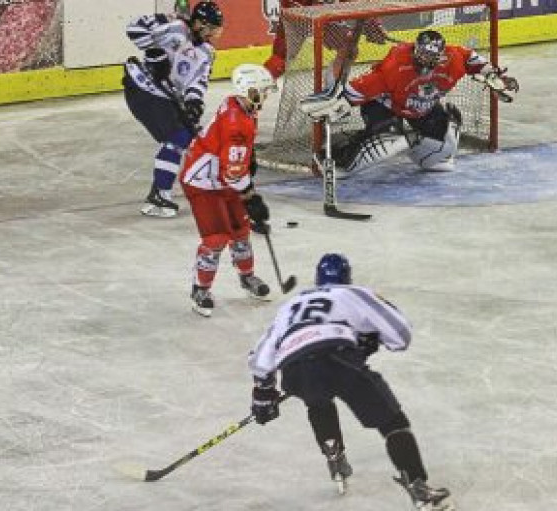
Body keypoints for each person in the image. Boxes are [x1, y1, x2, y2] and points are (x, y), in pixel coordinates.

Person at [247, 254, 454, 510]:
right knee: (392, 423)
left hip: (294, 369)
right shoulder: (351, 293)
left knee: (317, 400)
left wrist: (263, 395)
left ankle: (334, 457)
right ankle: (419, 490)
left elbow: (261, 357)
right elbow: (400, 334)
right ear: (347, 277)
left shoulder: (291, 305)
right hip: (337, 359)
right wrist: (369, 341)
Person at [300, 29, 518, 172]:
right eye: (422, 55)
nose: (426, 60)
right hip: (384, 106)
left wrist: (493, 75)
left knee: (443, 151)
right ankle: (340, 159)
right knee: (388, 138)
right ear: (415, 51)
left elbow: (473, 60)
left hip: (423, 109)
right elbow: (361, 89)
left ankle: (414, 144)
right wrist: (337, 103)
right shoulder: (396, 65)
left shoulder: (454, 59)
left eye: (432, 57)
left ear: (441, 56)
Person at [178, 64, 277, 317]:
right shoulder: (236, 124)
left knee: (240, 231)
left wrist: (248, 164)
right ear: (250, 91)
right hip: (202, 183)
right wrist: (251, 196)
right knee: (217, 238)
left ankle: (247, 278)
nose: (265, 96)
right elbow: (232, 173)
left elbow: (233, 165)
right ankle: (200, 290)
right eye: (263, 91)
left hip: (222, 178)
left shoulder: (240, 105)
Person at [123, 1, 224, 218]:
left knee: (185, 136)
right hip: (141, 86)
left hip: (162, 95)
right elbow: (134, 28)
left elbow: (197, 82)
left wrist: (194, 102)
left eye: (217, 30)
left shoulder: (207, 53)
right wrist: (154, 52)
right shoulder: (175, 26)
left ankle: (159, 191)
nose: (213, 34)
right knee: (177, 136)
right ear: (198, 23)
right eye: (211, 28)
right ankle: (159, 194)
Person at [262, 0, 388, 79]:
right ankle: (251, 91)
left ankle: (331, 98)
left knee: (349, 49)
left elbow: (359, 3)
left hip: (321, 14)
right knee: (280, 59)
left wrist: (373, 23)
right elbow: (295, 8)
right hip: (297, 16)